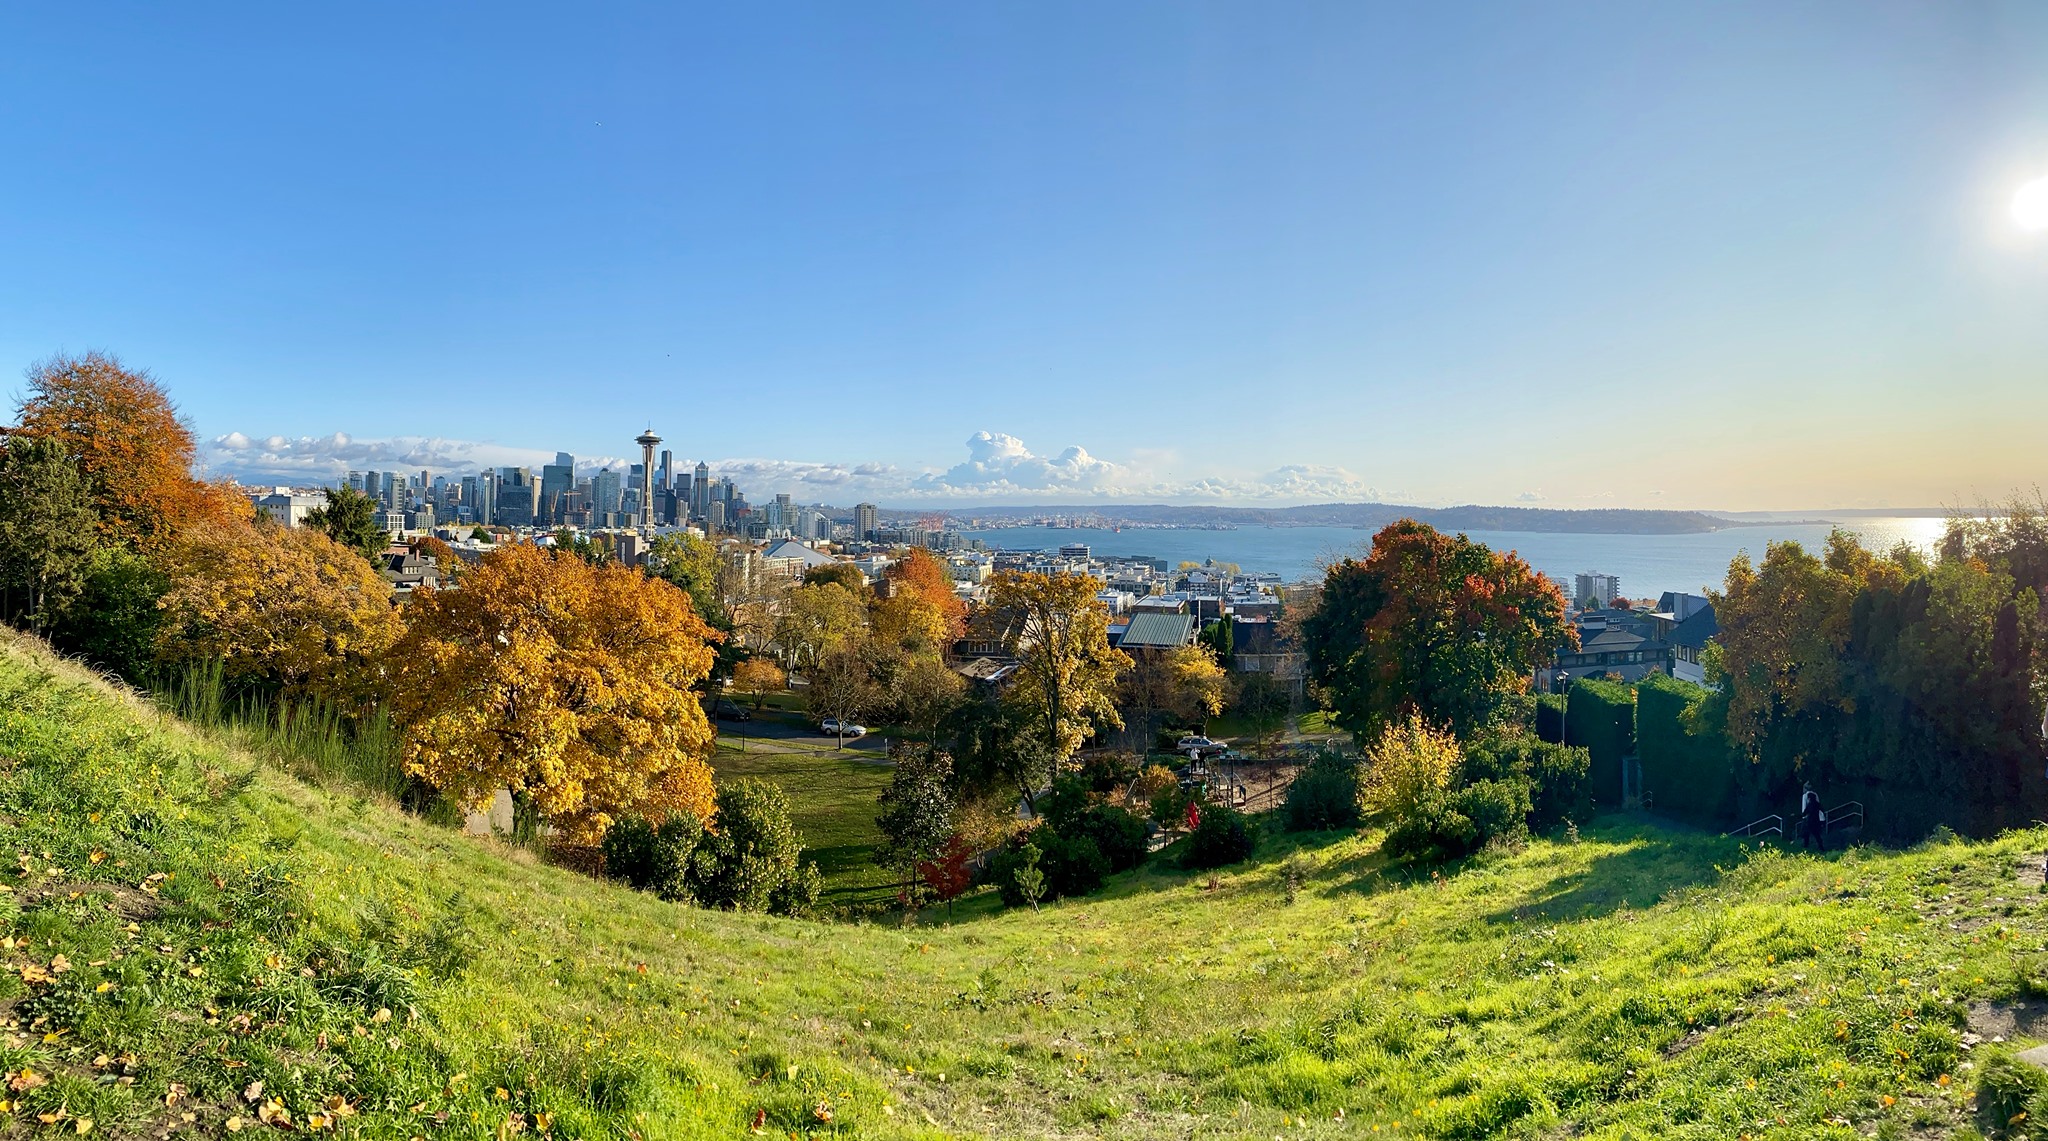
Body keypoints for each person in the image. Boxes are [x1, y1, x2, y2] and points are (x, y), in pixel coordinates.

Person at [1799, 783, 1826, 852]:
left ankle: (1806, 846)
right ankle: (1820, 846)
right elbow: (1821, 809)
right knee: (1816, 834)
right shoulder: (1816, 800)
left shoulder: (1805, 797)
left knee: (1806, 833)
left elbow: (1804, 810)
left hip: (1808, 819)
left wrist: (1802, 816)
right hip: (1816, 819)